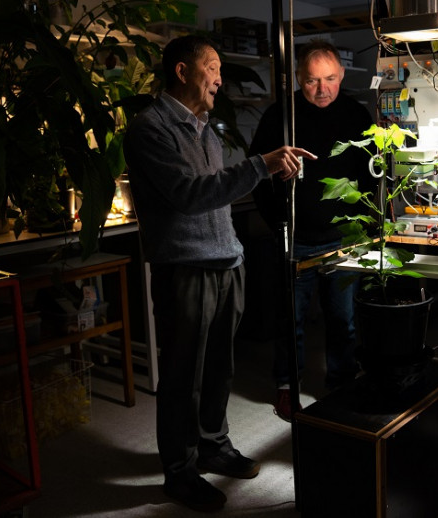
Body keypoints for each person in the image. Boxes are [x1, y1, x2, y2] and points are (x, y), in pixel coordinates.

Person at [123, 35, 316, 513]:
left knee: (218, 370)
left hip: (226, 262)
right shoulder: (150, 129)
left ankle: (213, 443)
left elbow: (219, 190)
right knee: (182, 376)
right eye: (212, 67)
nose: (220, 78)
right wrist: (259, 165)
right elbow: (189, 195)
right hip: (185, 269)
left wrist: (267, 172)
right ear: (183, 72)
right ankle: (179, 471)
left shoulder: (207, 128)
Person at [249, 39, 375, 421]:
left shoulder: (356, 114)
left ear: (341, 76)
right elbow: (256, 174)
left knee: (343, 319)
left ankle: (341, 379)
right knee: (291, 318)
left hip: (341, 240)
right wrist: (278, 225)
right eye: (311, 81)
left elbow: (372, 176)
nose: (322, 89)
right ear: (298, 80)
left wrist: (365, 228)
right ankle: (288, 385)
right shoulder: (279, 116)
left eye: (330, 79)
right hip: (295, 239)